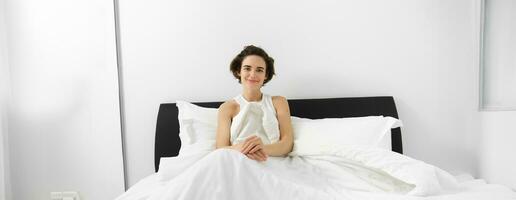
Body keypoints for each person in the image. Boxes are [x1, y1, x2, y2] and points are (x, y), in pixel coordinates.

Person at [215, 45, 294, 162]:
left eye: (259, 70)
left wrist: (262, 148)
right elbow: (221, 148)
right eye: (247, 68)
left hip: (271, 161)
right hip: (237, 160)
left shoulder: (279, 102)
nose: (253, 74)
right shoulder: (227, 108)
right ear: (238, 71)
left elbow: (287, 144)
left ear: (266, 75)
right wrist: (244, 149)